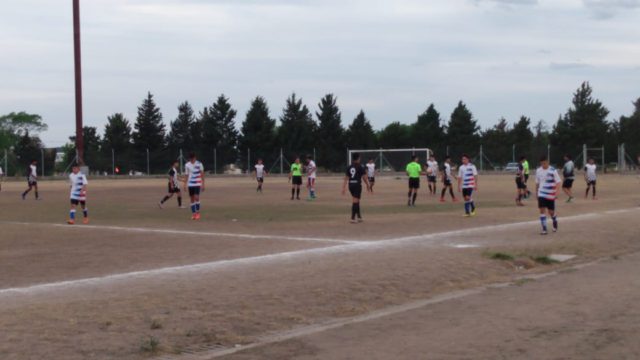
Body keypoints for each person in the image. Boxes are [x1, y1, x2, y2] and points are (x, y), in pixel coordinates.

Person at [342, 153, 371, 223]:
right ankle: (352, 218)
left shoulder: (349, 167)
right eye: (359, 158)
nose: (360, 159)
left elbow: (346, 178)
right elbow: (364, 178)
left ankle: (359, 217)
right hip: (357, 185)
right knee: (355, 201)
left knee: (357, 200)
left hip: (351, 186)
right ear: (358, 158)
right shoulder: (360, 167)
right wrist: (367, 185)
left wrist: (343, 187)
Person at [535, 156, 561, 235]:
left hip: (550, 194)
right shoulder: (538, 170)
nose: (544, 164)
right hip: (541, 193)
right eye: (542, 163)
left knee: (551, 212)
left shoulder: (553, 170)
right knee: (542, 210)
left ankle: (554, 220)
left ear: (548, 162)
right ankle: (544, 229)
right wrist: (536, 192)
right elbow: (537, 182)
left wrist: (556, 192)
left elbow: (558, 182)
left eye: (545, 163)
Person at [184, 153, 205, 220]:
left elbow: (202, 174)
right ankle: (194, 214)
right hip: (190, 184)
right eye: (190, 159)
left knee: (197, 197)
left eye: (193, 159)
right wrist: (185, 184)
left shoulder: (199, 163)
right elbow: (186, 175)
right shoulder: (187, 165)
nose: (192, 160)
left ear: (195, 158)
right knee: (192, 199)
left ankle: (198, 213)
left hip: (197, 183)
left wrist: (203, 184)